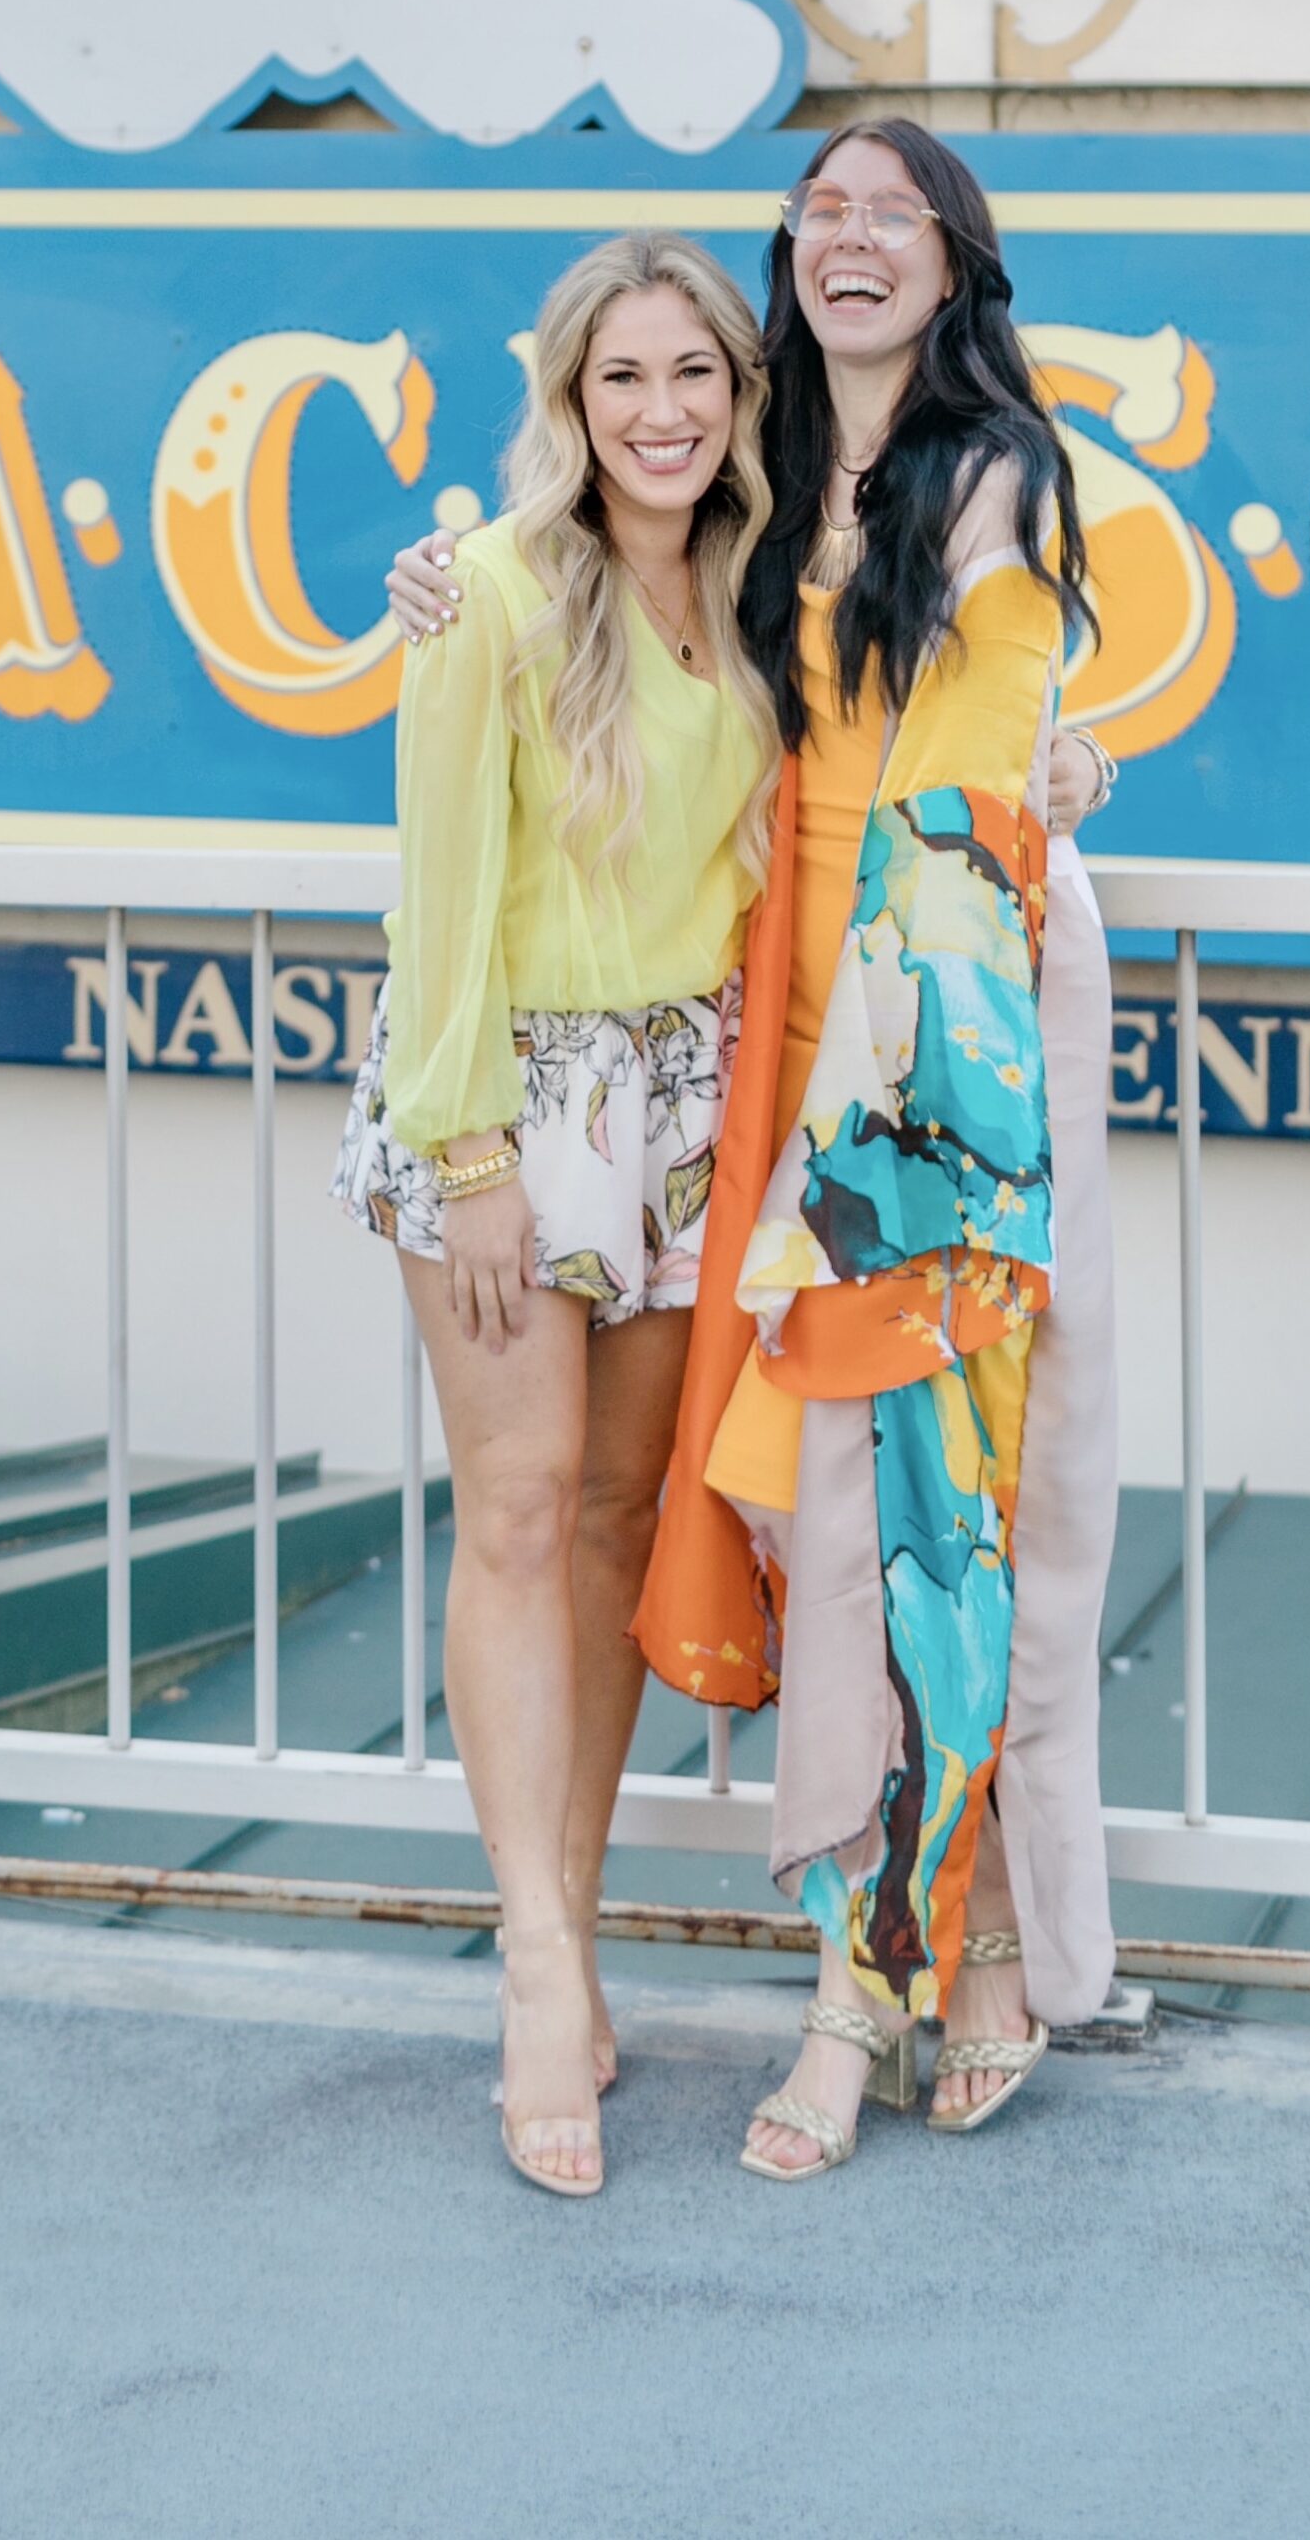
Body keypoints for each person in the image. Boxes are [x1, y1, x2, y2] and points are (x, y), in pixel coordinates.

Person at [386, 121, 1121, 2177]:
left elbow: (990, 687)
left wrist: (1066, 750)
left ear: (952, 263)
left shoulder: (910, 494)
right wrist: (443, 570)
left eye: (897, 210)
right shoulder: (624, 542)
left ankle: (935, 1956)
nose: (851, 237)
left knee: (871, 1516)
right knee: (691, 1524)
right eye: (821, 210)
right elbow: (465, 828)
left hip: (886, 1061)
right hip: (663, 1079)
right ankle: (679, 1957)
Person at [332, 232, 780, 2199]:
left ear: (736, 393)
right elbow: (435, 886)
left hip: (691, 1103)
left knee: (612, 1517)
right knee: (513, 1512)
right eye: (622, 378)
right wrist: (471, 1153)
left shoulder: (768, 594)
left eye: (693, 372)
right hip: (515, 1094)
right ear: (567, 400)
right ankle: (532, 1968)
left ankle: (571, 1917)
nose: (661, 411)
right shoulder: (492, 592)